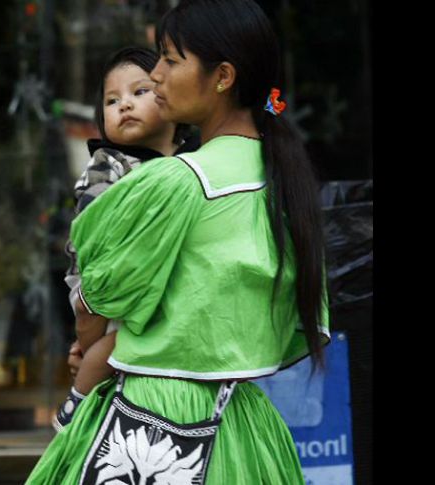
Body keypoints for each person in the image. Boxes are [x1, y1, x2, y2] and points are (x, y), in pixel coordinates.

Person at [27, 0, 330, 483]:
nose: (157, 75)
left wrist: (88, 349)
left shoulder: (176, 181)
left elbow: (95, 301)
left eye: (170, 60)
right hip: (245, 426)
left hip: (152, 430)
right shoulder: (281, 179)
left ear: (223, 77)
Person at [54, 46, 200, 431]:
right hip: (101, 284)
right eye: (112, 100)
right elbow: (96, 235)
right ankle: (77, 404)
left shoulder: (196, 160)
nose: (125, 105)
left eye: (140, 92)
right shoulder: (109, 165)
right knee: (114, 343)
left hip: (162, 291)